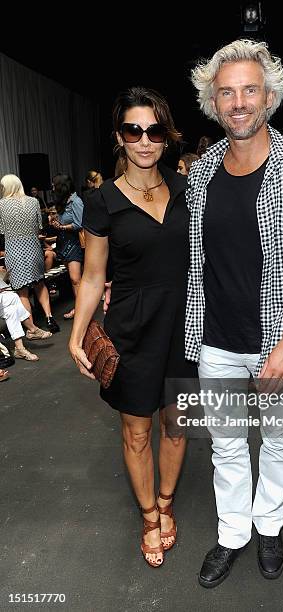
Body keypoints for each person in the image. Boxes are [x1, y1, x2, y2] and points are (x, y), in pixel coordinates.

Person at [186, 39, 283, 587]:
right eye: (226, 93)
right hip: (216, 342)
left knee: (277, 440)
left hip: (280, 339)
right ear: (213, 102)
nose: (238, 102)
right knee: (226, 444)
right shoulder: (201, 173)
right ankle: (234, 533)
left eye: (250, 89)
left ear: (270, 96)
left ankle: (269, 524)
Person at [68, 86, 197, 568]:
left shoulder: (186, 190)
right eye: (133, 130)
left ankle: (167, 503)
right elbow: (94, 275)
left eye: (154, 130)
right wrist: (78, 334)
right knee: (137, 431)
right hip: (132, 329)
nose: (144, 140)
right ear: (119, 137)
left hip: (185, 328)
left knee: (178, 426)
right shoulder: (101, 201)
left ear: (167, 136)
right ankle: (148, 517)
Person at [0, 174, 59, 334]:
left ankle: (33, 328)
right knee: (40, 284)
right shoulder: (33, 202)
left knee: (22, 291)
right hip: (33, 249)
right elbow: (39, 227)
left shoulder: (1, 205)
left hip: (14, 251)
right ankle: (49, 317)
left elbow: (1, 230)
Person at [49, 174, 84, 319]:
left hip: (74, 243)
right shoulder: (63, 201)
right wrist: (55, 222)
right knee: (72, 280)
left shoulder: (76, 201)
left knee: (76, 279)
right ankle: (79, 307)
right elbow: (63, 221)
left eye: (54, 185)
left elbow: (79, 224)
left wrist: (62, 227)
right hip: (63, 243)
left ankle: (82, 311)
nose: (52, 187)